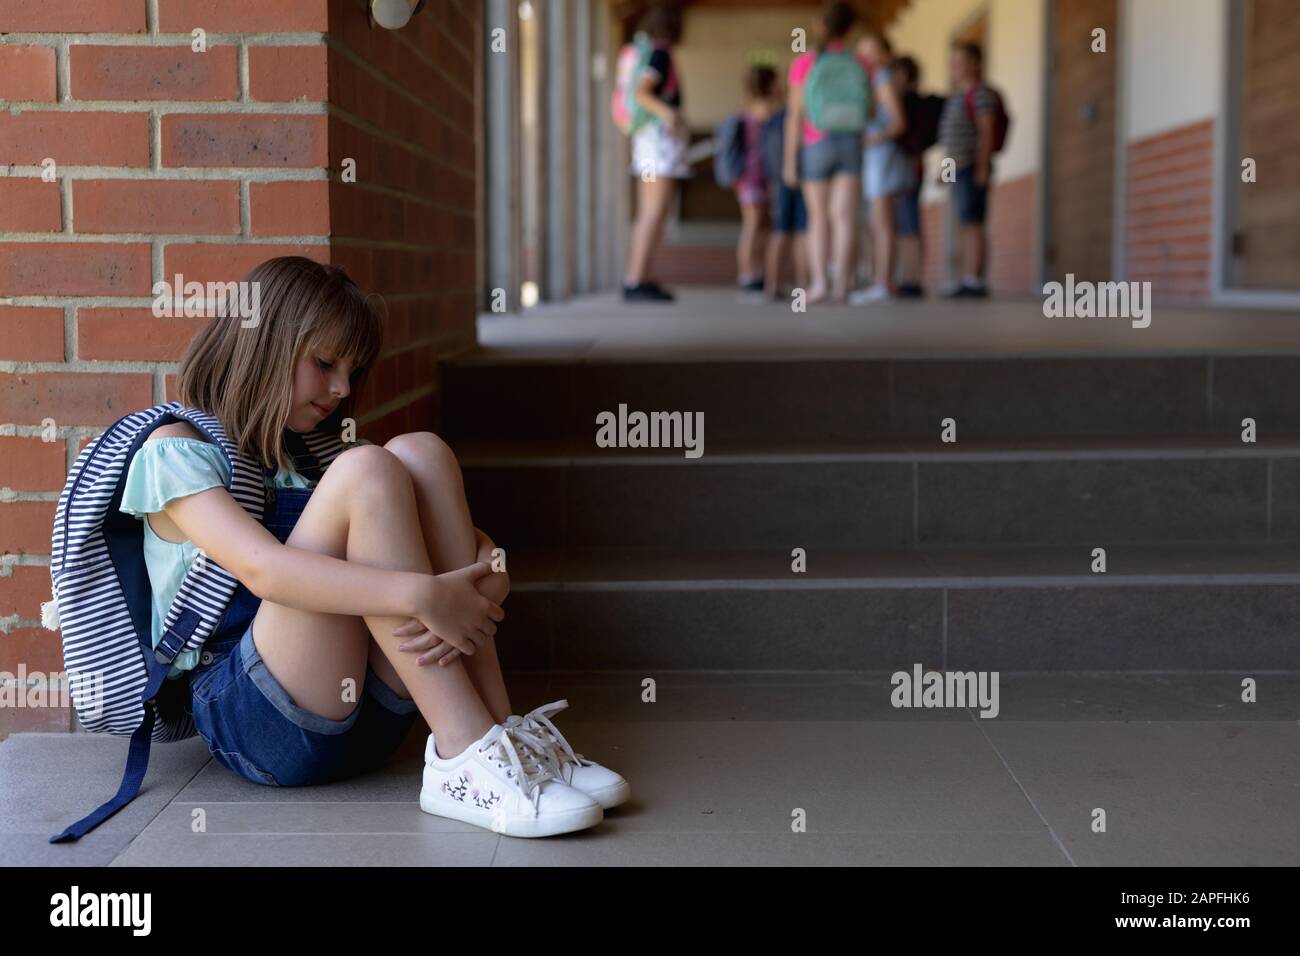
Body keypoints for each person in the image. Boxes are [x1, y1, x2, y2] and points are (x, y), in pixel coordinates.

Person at [115, 257, 628, 838]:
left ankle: (504, 740)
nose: (341, 389)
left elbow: (450, 542)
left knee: (420, 453)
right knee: (369, 470)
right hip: (258, 719)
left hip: (369, 718)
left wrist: (486, 570)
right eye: (325, 363)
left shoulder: (308, 452)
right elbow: (264, 570)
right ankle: (463, 758)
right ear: (262, 345)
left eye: (352, 372)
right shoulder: (176, 451)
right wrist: (424, 594)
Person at [783, 0, 868, 304]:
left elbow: (795, 115)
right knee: (844, 217)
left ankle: (819, 284)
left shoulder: (805, 63)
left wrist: (789, 163)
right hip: (850, 142)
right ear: (850, 28)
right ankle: (842, 286)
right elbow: (869, 108)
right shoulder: (860, 62)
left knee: (817, 218)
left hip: (815, 143)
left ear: (820, 26)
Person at [623, 5, 688, 303]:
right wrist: (670, 115)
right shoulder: (660, 54)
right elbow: (642, 92)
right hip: (658, 146)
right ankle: (637, 279)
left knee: (648, 213)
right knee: (654, 212)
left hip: (646, 142)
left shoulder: (645, 50)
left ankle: (641, 276)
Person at [849, 32, 911, 305]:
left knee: (883, 222)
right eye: (863, 52)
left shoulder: (882, 79)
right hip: (876, 157)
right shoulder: (871, 80)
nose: (867, 57)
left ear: (886, 55)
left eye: (873, 52)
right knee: (877, 222)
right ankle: (880, 281)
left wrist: (870, 138)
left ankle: (884, 283)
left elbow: (898, 122)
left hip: (882, 155)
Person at [939, 41, 998, 298]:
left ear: (974, 64)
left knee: (973, 222)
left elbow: (986, 131)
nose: (954, 67)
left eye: (960, 61)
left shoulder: (981, 93)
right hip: (958, 168)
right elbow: (953, 139)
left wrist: (983, 167)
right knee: (963, 222)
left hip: (972, 166)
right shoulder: (956, 97)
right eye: (952, 61)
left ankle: (975, 279)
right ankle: (965, 277)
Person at [892, 54, 940, 298]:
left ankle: (912, 278)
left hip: (908, 167)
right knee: (907, 222)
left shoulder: (910, 103)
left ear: (903, 76)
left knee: (909, 223)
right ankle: (909, 276)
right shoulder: (916, 102)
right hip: (910, 166)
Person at [733, 64, 779, 302]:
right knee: (754, 225)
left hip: (747, 175)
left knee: (757, 225)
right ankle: (750, 274)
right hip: (757, 175)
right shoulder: (767, 110)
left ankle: (753, 273)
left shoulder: (748, 108)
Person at [762, 96, 810, 300]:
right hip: (805, 176)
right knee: (800, 232)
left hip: (782, 179)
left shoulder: (777, 117)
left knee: (782, 231)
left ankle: (773, 286)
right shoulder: (803, 115)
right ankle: (802, 288)